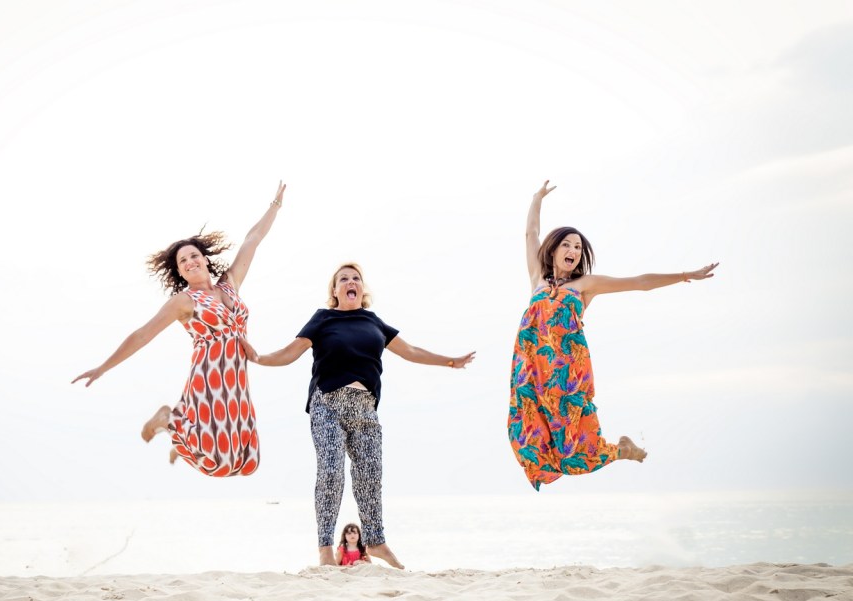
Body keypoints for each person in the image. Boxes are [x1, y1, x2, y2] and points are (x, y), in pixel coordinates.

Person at [242, 263, 475, 568]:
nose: (351, 282)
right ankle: (325, 547)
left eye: (356, 279)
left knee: (370, 476)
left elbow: (411, 351)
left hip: (366, 408)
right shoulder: (323, 319)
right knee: (331, 472)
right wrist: (258, 357)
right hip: (328, 403)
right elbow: (290, 353)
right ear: (335, 291)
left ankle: (376, 541)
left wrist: (450, 362)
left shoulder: (374, 322)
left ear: (362, 290)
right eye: (343, 279)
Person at [508, 180, 718, 490]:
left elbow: (639, 282)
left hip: (566, 377)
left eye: (578, 248)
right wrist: (537, 198)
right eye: (567, 244)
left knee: (574, 456)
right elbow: (530, 234)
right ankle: (619, 450)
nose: (573, 251)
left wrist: (686, 275)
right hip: (531, 375)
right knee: (525, 440)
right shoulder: (537, 280)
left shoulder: (584, 286)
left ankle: (621, 450)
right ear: (552, 250)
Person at [73, 182, 286, 477]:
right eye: (183, 261)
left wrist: (274, 205)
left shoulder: (230, 283)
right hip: (209, 378)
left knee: (247, 463)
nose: (190, 261)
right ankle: (169, 420)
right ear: (180, 271)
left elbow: (253, 238)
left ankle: (180, 439)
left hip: (236, 380)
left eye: (194, 256)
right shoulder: (184, 302)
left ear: (204, 259)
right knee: (218, 465)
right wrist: (103, 367)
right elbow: (143, 334)